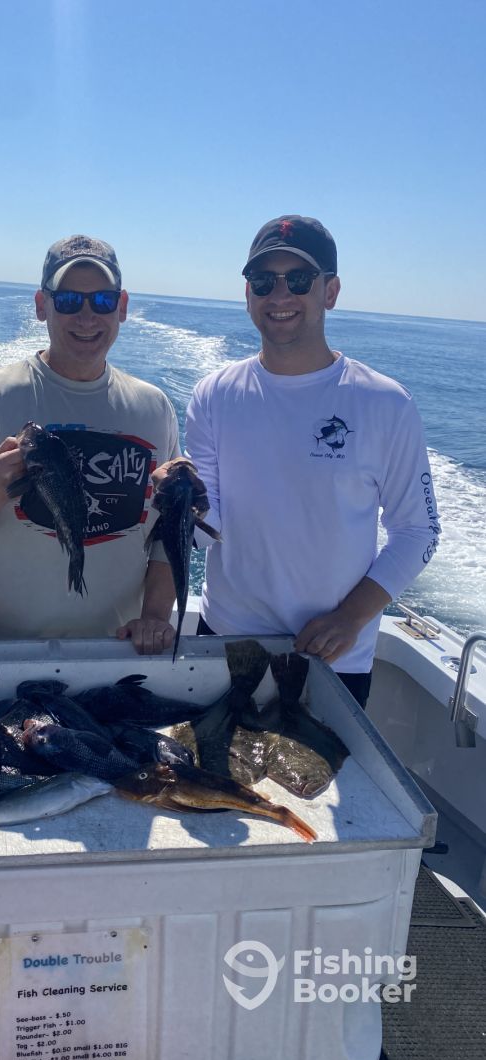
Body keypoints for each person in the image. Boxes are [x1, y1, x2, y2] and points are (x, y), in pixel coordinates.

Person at [184, 215, 440, 706]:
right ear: (248, 294)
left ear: (331, 291)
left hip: (334, 655)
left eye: (299, 279)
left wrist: (351, 618)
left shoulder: (386, 403)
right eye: (263, 281)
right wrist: (174, 502)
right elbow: (208, 522)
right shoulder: (213, 395)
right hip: (225, 640)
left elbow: (418, 531)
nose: (280, 294)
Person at [0, 234, 181, 654]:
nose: (86, 316)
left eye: (102, 300)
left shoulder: (154, 408)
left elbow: (169, 529)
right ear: (41, 305)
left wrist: (155, 616)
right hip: (1, 652)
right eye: (67, 301)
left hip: (117, 655)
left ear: (122, 307)